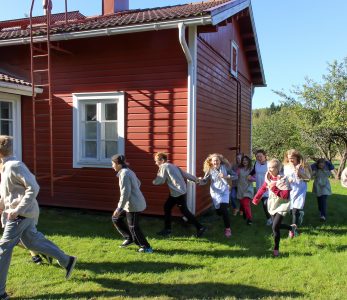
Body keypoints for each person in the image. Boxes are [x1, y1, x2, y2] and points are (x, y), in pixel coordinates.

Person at [0, 135, 77, 300]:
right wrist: (2, 206)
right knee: (32, 242)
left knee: (3, 249)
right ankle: (67, 261)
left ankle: (0, 293)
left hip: (20, 215)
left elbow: (33, 187)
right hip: (21, 213)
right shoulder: (6, 167)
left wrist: (17, 209)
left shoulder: (15, 165)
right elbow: (8, 192)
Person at [152, 152, 206, 237]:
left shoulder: (164, 166)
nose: (155, 163)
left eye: (156, 161)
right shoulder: (173, 165)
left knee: (185, 211)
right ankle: (167, 229)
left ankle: (200, 227)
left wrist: (154, 182)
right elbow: (185, 174)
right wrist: (196, 180)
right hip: (178, 191)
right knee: (167, 207)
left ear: (162, 160)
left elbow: (160, 180)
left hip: (177, 192)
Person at [252, 159, 295, 257]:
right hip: (272, 204)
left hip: (282, 204)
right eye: (268, 168)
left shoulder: (284, 179)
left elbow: (285, 195)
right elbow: (263, 188)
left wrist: (274, 188)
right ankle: (291, 228)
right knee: (277, 226)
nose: (269, 170)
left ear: (278, 168)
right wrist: (256, 198)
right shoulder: (268, 178)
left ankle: (276, 248)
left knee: (275, 227)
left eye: (272, 168)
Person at [111, 154, 153, 253]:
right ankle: (129, 238)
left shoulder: (124, 174)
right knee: (116, 218)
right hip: (130, 203)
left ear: (118, 164)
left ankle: (146, 247)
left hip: (133, 205)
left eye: (112, 164)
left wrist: (119, 208)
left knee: (133, 227)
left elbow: (125, 193)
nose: (112, 166)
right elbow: (139, 183)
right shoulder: (128, 171)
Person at [200, 153, 237, 237]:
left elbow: (235, 176)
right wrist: (200, 181)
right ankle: (219, 212)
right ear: (211, 162)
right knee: (219, 211)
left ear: (220, 161)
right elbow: (205, 181)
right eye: (214, 161)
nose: (215, 162)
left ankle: (228, 229)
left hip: (224, 191)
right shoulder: (210, 170)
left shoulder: (226, 167)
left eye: (217, 160)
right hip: (215, 192)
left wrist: (226, 176)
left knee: (224, 209)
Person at [283, 149, 311, 237]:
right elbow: (284, 178)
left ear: (297, 157)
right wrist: (287, 180)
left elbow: (308, 179)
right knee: (291, 211)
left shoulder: (303, 166)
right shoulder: (286, 166)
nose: (290, 160)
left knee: (295, 210)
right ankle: (300, 214)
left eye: (292, 158)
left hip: (300, 190)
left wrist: (299, 173)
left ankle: (292, 231)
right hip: (290, 190)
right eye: (289, 158)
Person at [248, 149, 272, 226]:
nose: (259, 158)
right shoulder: (256, 163)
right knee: (264, 205)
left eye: (260, 156)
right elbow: (254, 171)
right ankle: (269, 219)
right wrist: (249, 175)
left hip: (268, 187)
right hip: (260, 188)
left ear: (265, 156)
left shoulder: (269, 164)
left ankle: (272, 218)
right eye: (257, 156)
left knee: (266, 204)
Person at [236, 155, 254, 225]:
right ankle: (243, 211)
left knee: (246, 204)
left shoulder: (251, 169)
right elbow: (235, 176)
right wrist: (227, 176)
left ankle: (249, 219)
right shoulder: (239, 169)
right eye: (243, 160)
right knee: (242, 203)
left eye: (246, 160)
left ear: (248, 161)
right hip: (240, 188)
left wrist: (251, 179)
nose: (244, 161)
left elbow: (255, 178)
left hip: (248, 188)